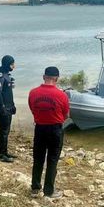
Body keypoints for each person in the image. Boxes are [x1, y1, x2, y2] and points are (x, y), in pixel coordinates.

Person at [28, 66, 70, 198]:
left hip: (39, 128)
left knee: (38, 158)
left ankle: (35, 188)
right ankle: (49, 191)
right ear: (56, 79)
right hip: (55, 129)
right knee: (52, 159)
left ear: (43, 77)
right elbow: (66, 115)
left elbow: (33, 108)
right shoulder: (62, 95)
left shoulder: (33, 92)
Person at [0, 55, 17, 163]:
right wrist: (2, 106)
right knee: (3, 131)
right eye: (12, 64)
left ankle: (5, 152)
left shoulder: (7, 75)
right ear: (8, 64)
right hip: (3, 108)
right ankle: (1, 155)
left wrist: (12, 105)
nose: (13, 66)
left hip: (8, 107)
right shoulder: (0, 75)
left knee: (6, 131)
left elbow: (8, 93)